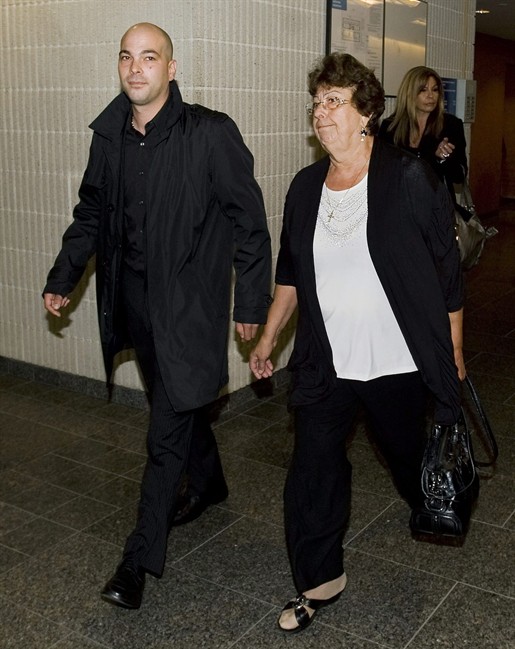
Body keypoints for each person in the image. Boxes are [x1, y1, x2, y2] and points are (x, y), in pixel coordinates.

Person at [43, 22, 272, 609]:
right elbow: (91, 211)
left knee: (162, 433)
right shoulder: (110, 136)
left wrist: (250, 301)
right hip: (134, 305)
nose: (136, 67)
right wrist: (64, 275)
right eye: (127, 57)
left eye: (150, 57)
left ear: (171, 68)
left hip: (189, 310)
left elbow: (250, 222)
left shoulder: (210, 135)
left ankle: (135, 562)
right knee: (177, 403)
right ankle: (212, 483)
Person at [249, 52, 465, 634]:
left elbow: (447, 271)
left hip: (397, 361)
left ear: (366, 112)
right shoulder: (303, 188)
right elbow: (291, 273)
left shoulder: (408, 176)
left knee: (408, 459)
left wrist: (454, 355)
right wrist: (269, 335)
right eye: (317, 103)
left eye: (335, 101)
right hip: (326, 360)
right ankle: (319, 580)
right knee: (312, 468)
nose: (322, 113)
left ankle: (434, 490)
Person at [378, 65, 467, 202]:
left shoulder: (451, 125)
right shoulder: (390, 127)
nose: (430, 95)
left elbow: (459, 176)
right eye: (423, 90)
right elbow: (382, 172)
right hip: (401, 205)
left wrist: (443, 158)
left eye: (435, 90)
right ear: (410, 94)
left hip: (436, 207)